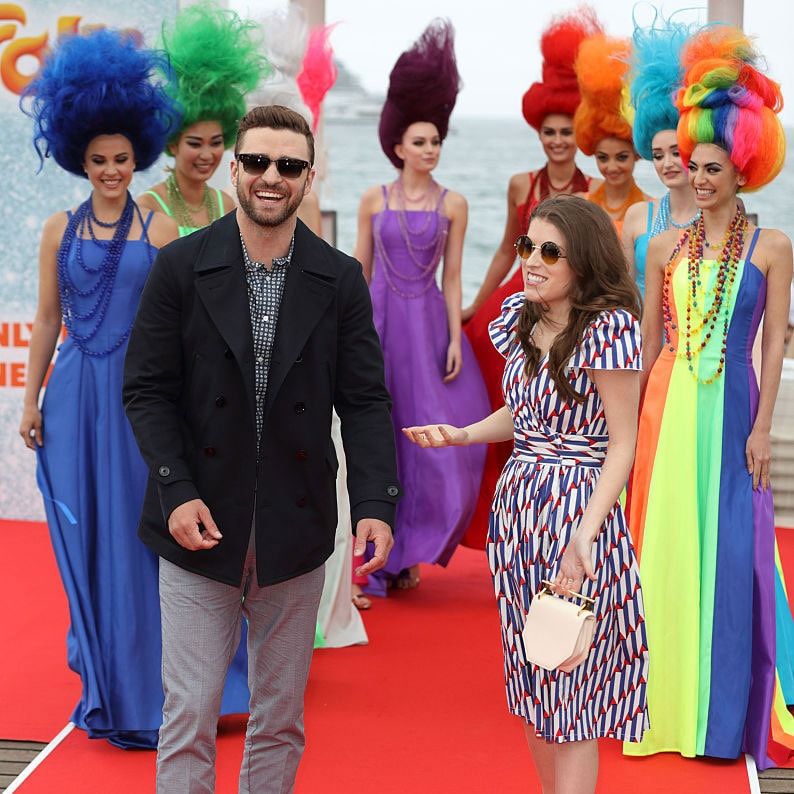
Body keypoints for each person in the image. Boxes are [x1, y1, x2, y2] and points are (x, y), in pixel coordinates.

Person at [122, 104, 400, 792]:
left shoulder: (339, 280)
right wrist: (175, 490)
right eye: (256, 162)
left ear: (309, 177)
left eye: (288, 165)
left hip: (295, 524)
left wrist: (374, 502)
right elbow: (147, 390)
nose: (270, 177)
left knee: (278, 717)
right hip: (197, 524)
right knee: (188, 711)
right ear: (235, 167)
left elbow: (364, 400)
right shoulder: (181, 267)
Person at [404, 196, 649, 794]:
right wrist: (463, 433)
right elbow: (525, 414)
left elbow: (624, 443)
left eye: (549, 251)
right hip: (518, 520)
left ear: (584, 262)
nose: (532, 262)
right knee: (536, 680)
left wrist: (586, 534)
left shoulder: (610, 329)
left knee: (573, 690)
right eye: (526, 247)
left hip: (575, 520)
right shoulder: (521, 316)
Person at [625, 26, 794, 769]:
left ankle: (723, 719)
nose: (696, 177)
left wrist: (763, 427)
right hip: (667, 411)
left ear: (743, 167)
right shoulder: (663, 247)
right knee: (661, 554)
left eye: (711, 167)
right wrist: (622, 427)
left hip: (733, 416)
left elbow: (774, 343)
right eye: (690, 165)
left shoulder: (775, 246)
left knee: (732, 556)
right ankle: (660, 709)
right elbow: (649, 344)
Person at [17, 29, 181, 748]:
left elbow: (183, 328)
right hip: (76, 395)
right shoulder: (58, 228)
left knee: (141, 539)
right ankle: (107, 685)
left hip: (139, 398)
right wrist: (29, 401)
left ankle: (154, 687)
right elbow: (48, 319)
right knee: (89, 543)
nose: (111, 170)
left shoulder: (162, 225)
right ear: (77, 159)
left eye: (121, 159)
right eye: (98, 160)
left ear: (137, 155)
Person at [353, 20, 488, 594]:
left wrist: (455, 338)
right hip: (379, 320)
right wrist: (347, 329)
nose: (429, 150)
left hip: (427, 323)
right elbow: (359, 270)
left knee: (429, 440)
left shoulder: (454, 202)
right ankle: (373, 557)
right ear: (398, 146)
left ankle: (411, 547)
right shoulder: (371, 199)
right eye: (419, 142)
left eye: (436, 142)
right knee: (376, 433)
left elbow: (454, 275)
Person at [460, 7, 602, 550]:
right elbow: (503, 251)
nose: (559, 140)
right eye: (550, 132)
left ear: (577, 134)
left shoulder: (591, 191)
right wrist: (475, 305)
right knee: (493, 376)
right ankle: (494, 499)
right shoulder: (521, 184)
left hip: (566, 306)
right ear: (539, 133)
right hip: (517, 301)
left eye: (567, 131)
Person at [137, 3, 267, 235]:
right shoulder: (149, 207)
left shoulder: (226, 205)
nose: (207, 155)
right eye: (195, 143)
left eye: (215, 142)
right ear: (173, 142)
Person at [621, 17, 700, 294]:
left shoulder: (719, 217)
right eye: (657, 155)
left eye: (675, 152)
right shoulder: (637, 216)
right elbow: (624, 296)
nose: (666, 163)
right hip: (640, 336)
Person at [573, 32, 653, 234]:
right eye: (603, 158)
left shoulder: (652, 209)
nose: (611, 166)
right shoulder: (580, 205)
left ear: (636, 154)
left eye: (621, 157)